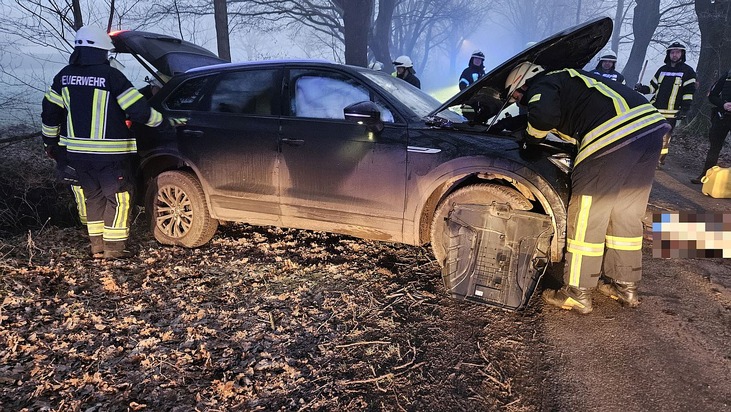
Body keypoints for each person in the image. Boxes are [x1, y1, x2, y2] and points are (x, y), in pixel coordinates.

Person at [504, 61, 670, 314]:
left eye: (515, 95)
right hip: (651, 131)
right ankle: (625, 286)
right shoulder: (575, 80)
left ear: (524, 81)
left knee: (587, 217)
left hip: (613, 135)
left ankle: (577, 293)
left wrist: (530, 141)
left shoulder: (546, 80)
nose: (517, 102)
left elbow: (543, 116)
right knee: (626, 214)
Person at [41, 26, 163, 259]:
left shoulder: (64, 76)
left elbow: (50, 113)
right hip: (110, 155)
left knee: (93, 197)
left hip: (76, 156)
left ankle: (97, 246)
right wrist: (163, 121)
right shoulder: (112, 77)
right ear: (102, 51)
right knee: (118, 198)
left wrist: (49, 143)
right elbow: (138, 111)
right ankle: (114, 250)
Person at [635, 42, 697, 167]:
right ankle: (648, 157)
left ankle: (659, 160)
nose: (674, 55)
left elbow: (688, 92)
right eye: (672, 52)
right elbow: (652, 88)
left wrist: (685, 109)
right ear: (668, 54)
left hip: (672, 112)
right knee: (651, 134)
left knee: (665, 138)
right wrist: (641, 88)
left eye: (677, 52)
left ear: (682, 54)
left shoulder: (688, 71)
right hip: (656, 109)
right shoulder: (662, 70)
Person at [691, 70, 731, 184]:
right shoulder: (727, 75)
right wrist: (723, 104)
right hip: (722, 117)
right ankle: (705, 176)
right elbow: (712, 96)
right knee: (714, 148)